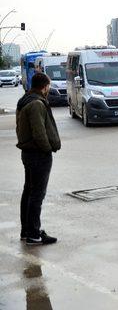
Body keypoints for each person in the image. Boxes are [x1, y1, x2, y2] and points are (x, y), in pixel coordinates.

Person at [16, 72, 60, 245]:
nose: (49, 89)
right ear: (44, 86)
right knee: (36, 195)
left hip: (28, 152)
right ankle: (34, 234)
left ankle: (27, 230)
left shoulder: (25, 100)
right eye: (48, 86)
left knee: (29, 191)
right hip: (37, 154)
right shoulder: (36, 103)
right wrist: (47, 148)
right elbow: (39, 132)